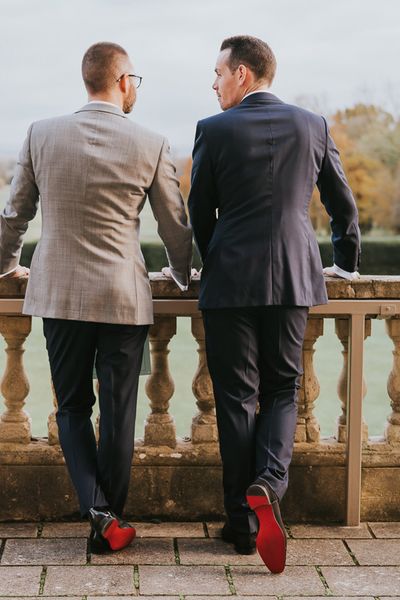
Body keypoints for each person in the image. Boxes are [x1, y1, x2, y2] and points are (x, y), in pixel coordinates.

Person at [0, 42, 192, 553]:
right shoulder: (151, 142)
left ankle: (99, 511)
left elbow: (14, 214)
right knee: (120, 410)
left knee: (71, 408)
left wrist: (4, 266)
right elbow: (176, 225)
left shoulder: (42, 134)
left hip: (59, 293)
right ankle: (109, 522)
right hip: (124, 296)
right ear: (124, 80)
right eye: (138, 82)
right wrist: (178, 271)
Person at [188, 35, 360, 573]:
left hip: (230, 280)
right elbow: (341, 203)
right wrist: (346, 262)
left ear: (242, 73)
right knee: (283, 387)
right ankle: (269, 483)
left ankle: (241, 525)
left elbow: (199, 210)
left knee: (237, 396)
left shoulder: (212, 130)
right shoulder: (313, 125)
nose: (213, 83)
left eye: (217, 72)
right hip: (292, 277)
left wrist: (218, 257)